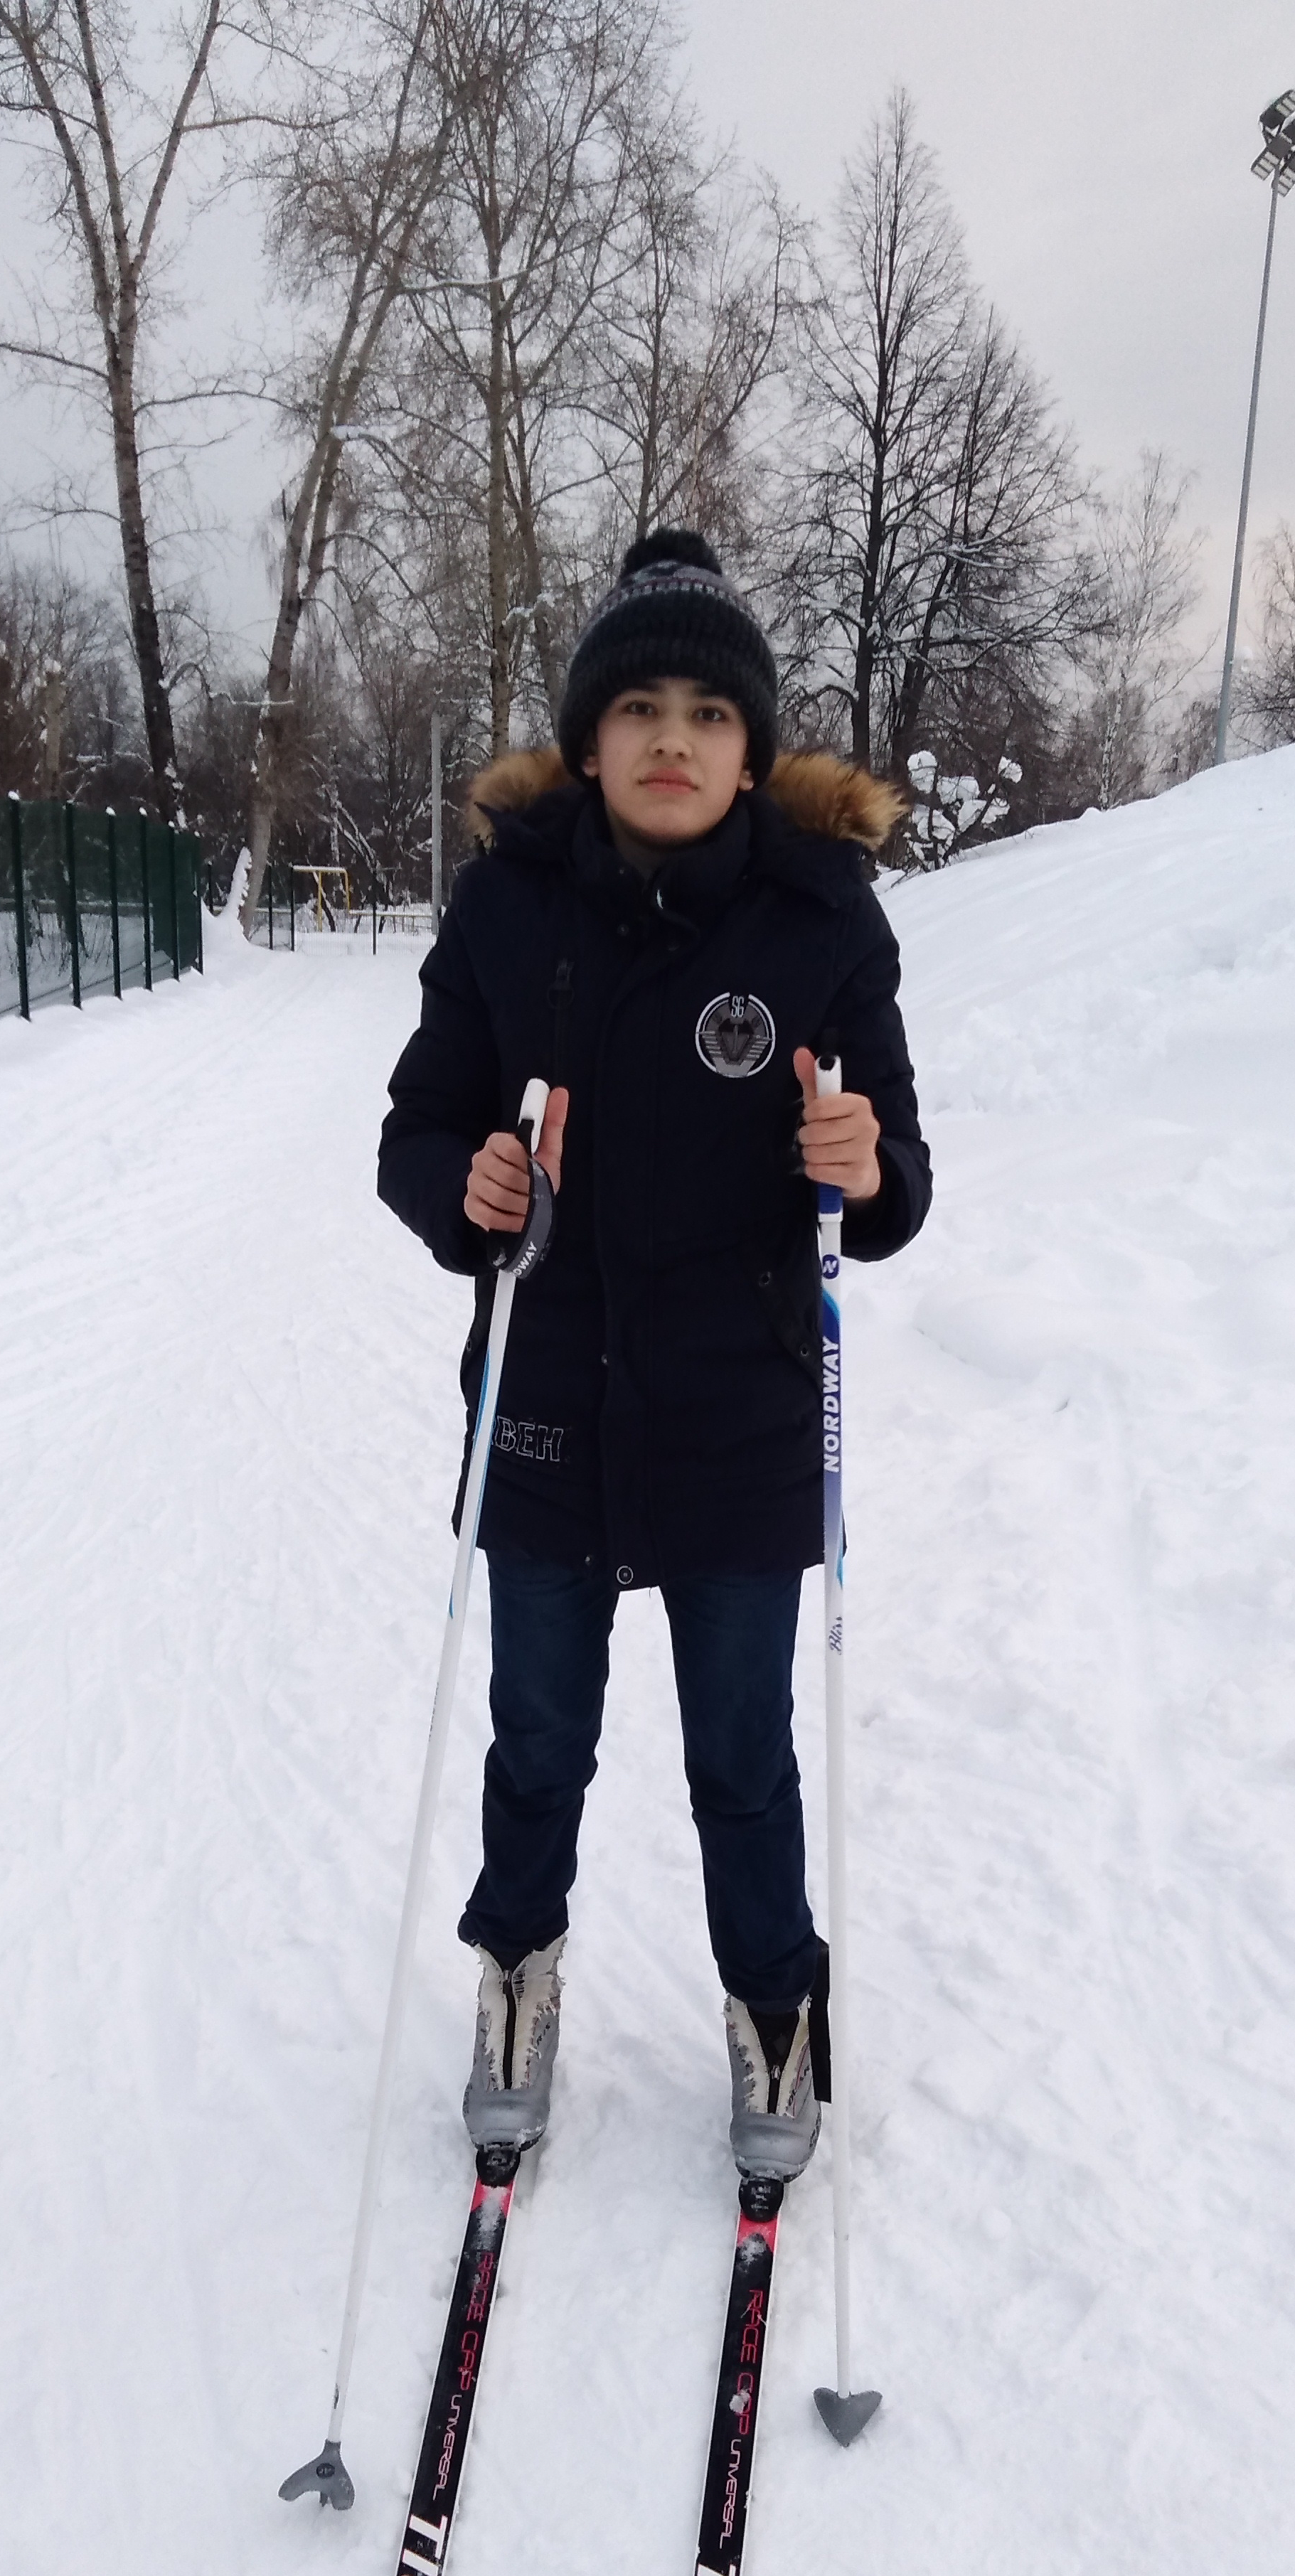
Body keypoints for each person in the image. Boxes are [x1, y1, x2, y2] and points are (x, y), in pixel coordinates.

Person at [377, 530, 931, 2181]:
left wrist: (861, 1164)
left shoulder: (820, 921)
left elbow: (896, 1183)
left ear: (750, 749)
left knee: (741, 1758)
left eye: (707, 711)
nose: (671, 740)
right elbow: (418, 1128)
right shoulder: (508, 907)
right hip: (548, 1405)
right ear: (591, 738)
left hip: (738, 1420)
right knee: (539, 1737)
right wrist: (465, 1187)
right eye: (638, 708)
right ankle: (517, 1975)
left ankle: (776, 2007)